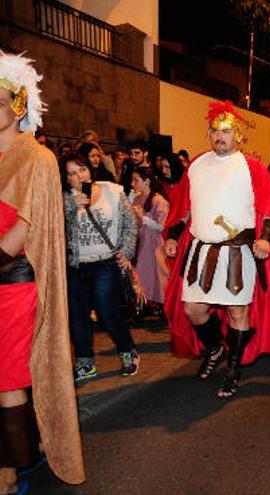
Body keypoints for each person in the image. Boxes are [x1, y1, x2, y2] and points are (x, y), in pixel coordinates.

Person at [163, 100, 270, 399]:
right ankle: (214, 348)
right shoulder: (196, 165)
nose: (220, 136)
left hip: (238, 252)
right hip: (201, 251)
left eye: (226, 131)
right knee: (192, 309)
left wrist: (264, 239)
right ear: (209, 133)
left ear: (237, 135)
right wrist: (173, 235)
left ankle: (233, 371)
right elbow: (184, 210)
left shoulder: (253, 168)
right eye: (215, 131)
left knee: (238, 313)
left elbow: (269, 210)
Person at [0, 50, 85, 493]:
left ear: (17, 106)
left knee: (7, 378)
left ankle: (10, 474)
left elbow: (19, 236)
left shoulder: (36, 159)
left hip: (13, 287)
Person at [61, 154, 139, 381]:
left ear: (90, 170)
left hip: (106, 263)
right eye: (72, 173)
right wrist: (70, 209)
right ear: (66, 179)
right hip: (76, 266)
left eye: (81, 169)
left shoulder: (112, 191)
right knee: (78, 317)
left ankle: (127, 351)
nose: (78, 176)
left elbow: (130, 222)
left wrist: (126, 252)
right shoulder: (63, 200)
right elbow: (54, 231)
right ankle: (85, 363)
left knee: (108, 313)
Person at [130, 166, 170, 312]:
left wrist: (143, 218)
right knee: (141, 275)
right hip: (141, 242)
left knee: (158, 275)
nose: (133, 183)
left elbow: (162, 226)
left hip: (154, 243)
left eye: (136, 180)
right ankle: (144, 304)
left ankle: (162, 306)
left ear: (146, 182)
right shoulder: (137, 198)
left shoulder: (158, 200)